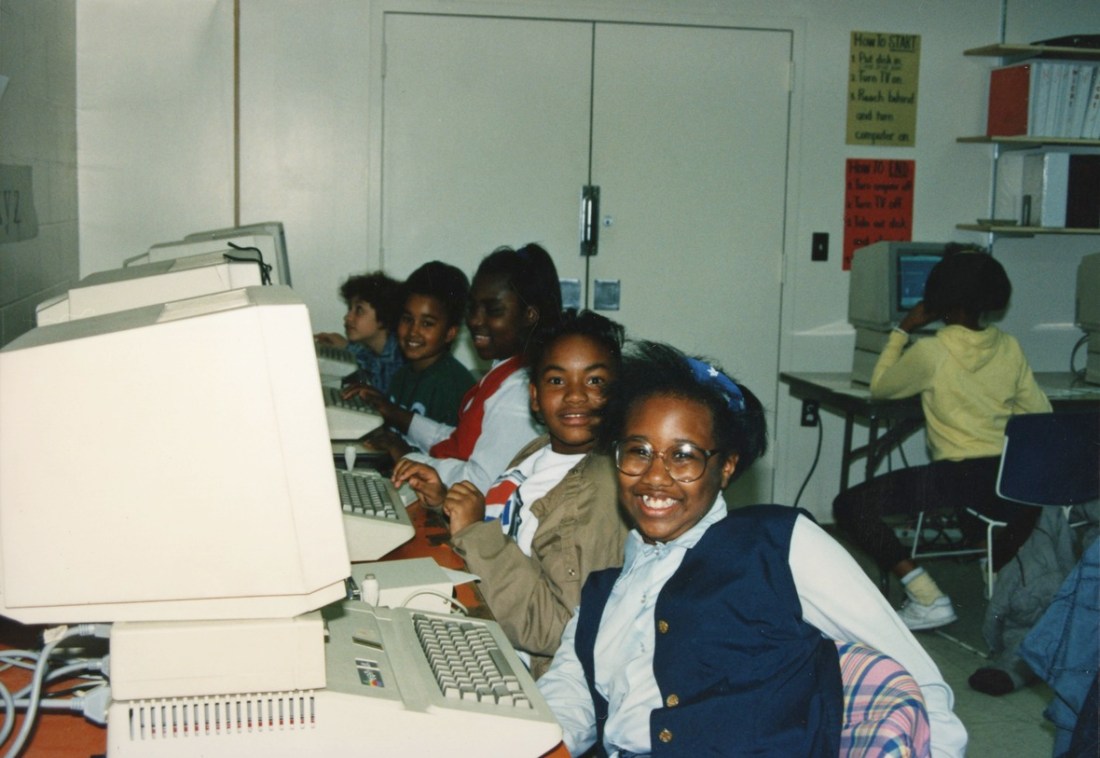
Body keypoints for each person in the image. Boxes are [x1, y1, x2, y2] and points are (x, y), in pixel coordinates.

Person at [537, 341, 967, 757]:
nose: (655, 477)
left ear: (725, 467)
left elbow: (920, 680)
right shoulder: (602, 594)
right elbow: (568, 697)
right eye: (638, 452)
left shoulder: (776, 544)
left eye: (683, 456)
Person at [833, 247, 1051, 631]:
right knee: (964, 499)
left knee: (850, 506)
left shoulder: (932, 350)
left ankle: (926, 596)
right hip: (1007, 479)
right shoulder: (1010, 346)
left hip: (959, 480)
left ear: (939, 299)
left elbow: (882, 387)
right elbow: (1039, 413)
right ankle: (995, 565)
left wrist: (903, 330)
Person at [417, 310, 630, 679]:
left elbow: (557, 628)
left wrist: (473, 535)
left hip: (524, 673)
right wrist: (445, 507)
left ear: (618, 394)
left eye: (594, 380)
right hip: (491, 626)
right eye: (557, 380)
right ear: (535, 397)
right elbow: (509, 529)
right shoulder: (540, 450)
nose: (575, 395)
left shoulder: (598, 490)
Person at [390, 243, 562, 495]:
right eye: (473, 308)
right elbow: (461, 440)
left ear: (529, 315)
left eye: (493, 310)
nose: (475, 320)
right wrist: (395, 416)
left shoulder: (520, 391)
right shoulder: (505, 370)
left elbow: (481, 480)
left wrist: (410, 458)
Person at [344, 262, 476, 450]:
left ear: (450, 333)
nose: (413, 332)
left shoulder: (451, 388)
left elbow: (450, 457)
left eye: (427, 324)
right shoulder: (403, 375)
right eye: (407, 319)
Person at [314, 271, 405, 393]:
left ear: (384, 314)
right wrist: (344, 345)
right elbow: (365, 356)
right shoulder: (375, 350)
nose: (347, 317)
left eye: (359, 310)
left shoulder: (398, 362)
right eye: (350, 308)